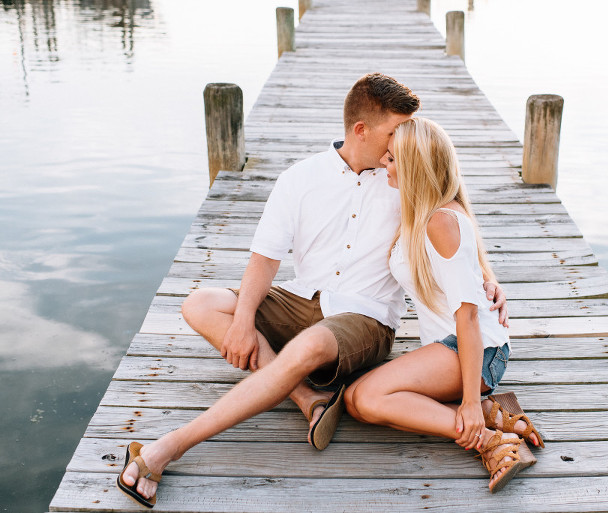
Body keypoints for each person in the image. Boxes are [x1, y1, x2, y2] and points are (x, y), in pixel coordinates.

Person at [116, 74, 508, 508]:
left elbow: (452, 217)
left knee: (315, 351)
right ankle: (307, 397)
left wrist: (486, 281)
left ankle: (170, 446)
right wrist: (243, 321)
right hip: (302, 297)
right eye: (394, 133)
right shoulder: (301, 177)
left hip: (366, 316)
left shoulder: (403, 176)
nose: (401, 143)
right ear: (361, 130)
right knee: (200, 304)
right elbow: (265, 257)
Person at [344, 117, 545, 493]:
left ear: (414, 167)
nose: (384, 164)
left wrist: (468, 400)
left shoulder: (439, 221)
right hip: (454, 347)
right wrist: (490, 282)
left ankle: (491, 439)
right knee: (355, 402)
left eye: (391, 159)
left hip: (475, 351)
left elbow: (467, 316)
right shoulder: (424, 211)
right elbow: (469, 271)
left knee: (369, 397)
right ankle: (495, 414)